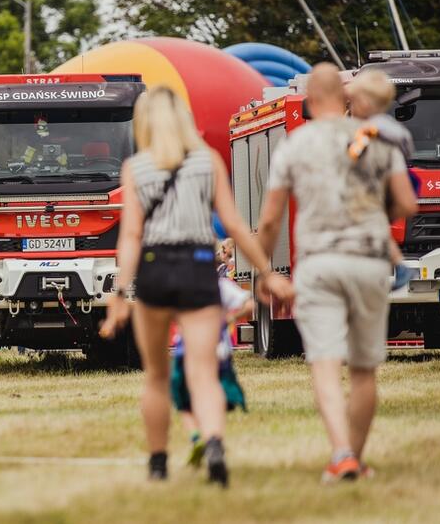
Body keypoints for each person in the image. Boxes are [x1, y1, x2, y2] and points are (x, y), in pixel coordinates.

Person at [99, 86, 294, 485]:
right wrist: (268, 271)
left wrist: (119, 293)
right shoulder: (207, 163)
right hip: (199, 265)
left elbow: (131, 236)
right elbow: (236, 225)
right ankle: (215, 442)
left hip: (155, 267)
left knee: (155, 374)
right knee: (203, 370)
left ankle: (157, 464)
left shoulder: (135, 169)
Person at [257, 63, 418, 483]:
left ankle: (342, 453)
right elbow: (406, 204)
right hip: (368, 259)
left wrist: (262, 270)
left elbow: (271, 217)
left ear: (310, 98)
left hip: (318, 262)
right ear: (344, 96)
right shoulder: (377, 139)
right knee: (364, 370)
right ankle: (355, 460)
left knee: (325, 364)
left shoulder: (295, 144)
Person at [173, 277, 253, 468]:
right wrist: (229, 318)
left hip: (187, 350)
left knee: (183, 400)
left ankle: (196, 437)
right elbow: (250, 305)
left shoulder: (180, 283)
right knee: (215, 395)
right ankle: (214, 439)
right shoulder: (221, 285)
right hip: (219, 352)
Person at [346, 69, 415, 290]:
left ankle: (392, 265)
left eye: (353, 102)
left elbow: (354, 154)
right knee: (378, 226)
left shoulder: (368, 131)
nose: (351, 108)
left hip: (371, 186)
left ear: (365, 103)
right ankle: (398, 264)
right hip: (396, 183)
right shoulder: (393, 127)